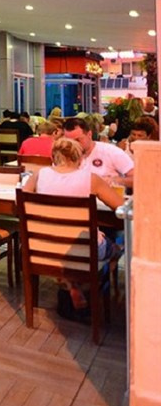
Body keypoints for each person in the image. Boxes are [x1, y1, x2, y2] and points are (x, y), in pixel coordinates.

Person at [22, 137, 124, 322]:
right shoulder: (91, 179)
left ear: (53, 156)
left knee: (83, 248)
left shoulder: (39, 175)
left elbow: (20, 201)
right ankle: (91, 286)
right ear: (80, 158)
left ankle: (70, 283)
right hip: (83, 249)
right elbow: (120, 207)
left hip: (46, 246)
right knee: (118, 244)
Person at [62, 117, 134, 188]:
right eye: (70, 141)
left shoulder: (111, 152)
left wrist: (116, 181)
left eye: (78, 140)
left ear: (89, 134)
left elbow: (136, 178)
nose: (74, 144)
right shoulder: (63, 156)